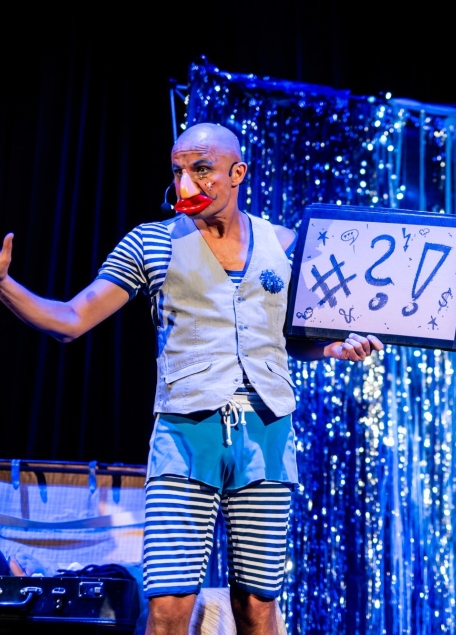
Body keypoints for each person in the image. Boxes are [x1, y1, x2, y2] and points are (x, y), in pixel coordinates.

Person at [0, 122, 384, 635]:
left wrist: (330, 347)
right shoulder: (151, 243)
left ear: (237, 173)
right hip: (185, 437)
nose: (186, 184)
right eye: (178, 170)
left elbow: (292, 337)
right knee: (169, 605)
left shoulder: (285, 244)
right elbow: (70, 320)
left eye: (202, 169)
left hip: (266, 436)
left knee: (258, 604)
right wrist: (4, 286)